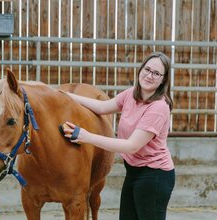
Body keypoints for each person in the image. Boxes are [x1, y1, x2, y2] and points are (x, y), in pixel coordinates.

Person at [61, 51, 175, 220]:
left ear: (163, 80)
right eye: (147, 69)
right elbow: (101, 107)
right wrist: (65, 95)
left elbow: (132, 146)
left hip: (154, 176)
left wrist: (86, 136)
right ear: (140, 69)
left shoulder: (158, 108)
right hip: (134, 172)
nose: (149, 75)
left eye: (156, 73)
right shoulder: (131, 94)